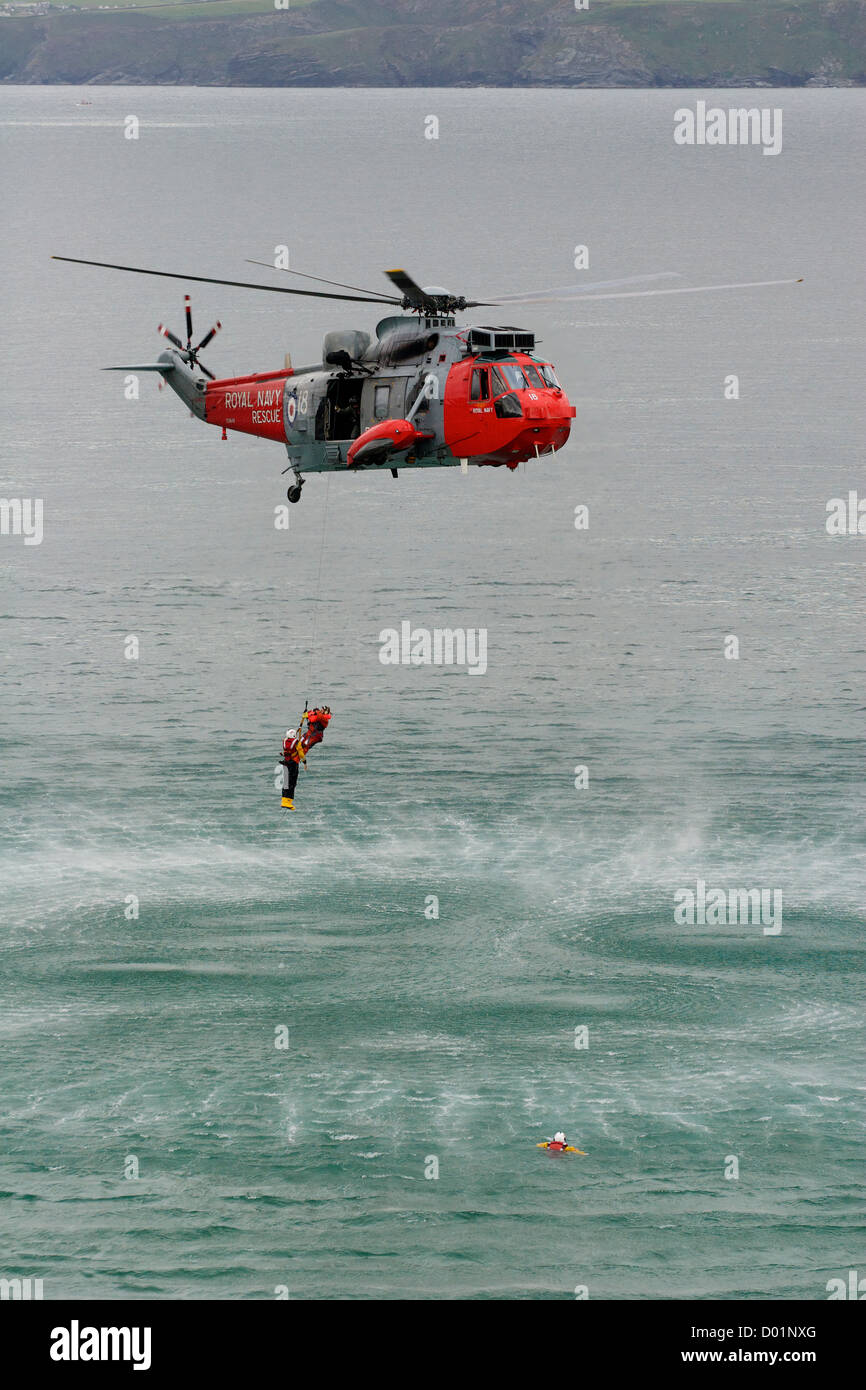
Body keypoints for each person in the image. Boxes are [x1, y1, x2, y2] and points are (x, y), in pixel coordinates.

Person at [280, 707, 332, 809]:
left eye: (323, 710)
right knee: (292, 782)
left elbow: (313, 718)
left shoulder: (324, 718)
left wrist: (309, 715)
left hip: (314, 736)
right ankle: (287, 801)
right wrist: (304, 762)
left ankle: (285, 800)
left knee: (287, 781)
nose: (321, 711)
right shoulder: (296, 742)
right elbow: (312, 716)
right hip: (294, 760)